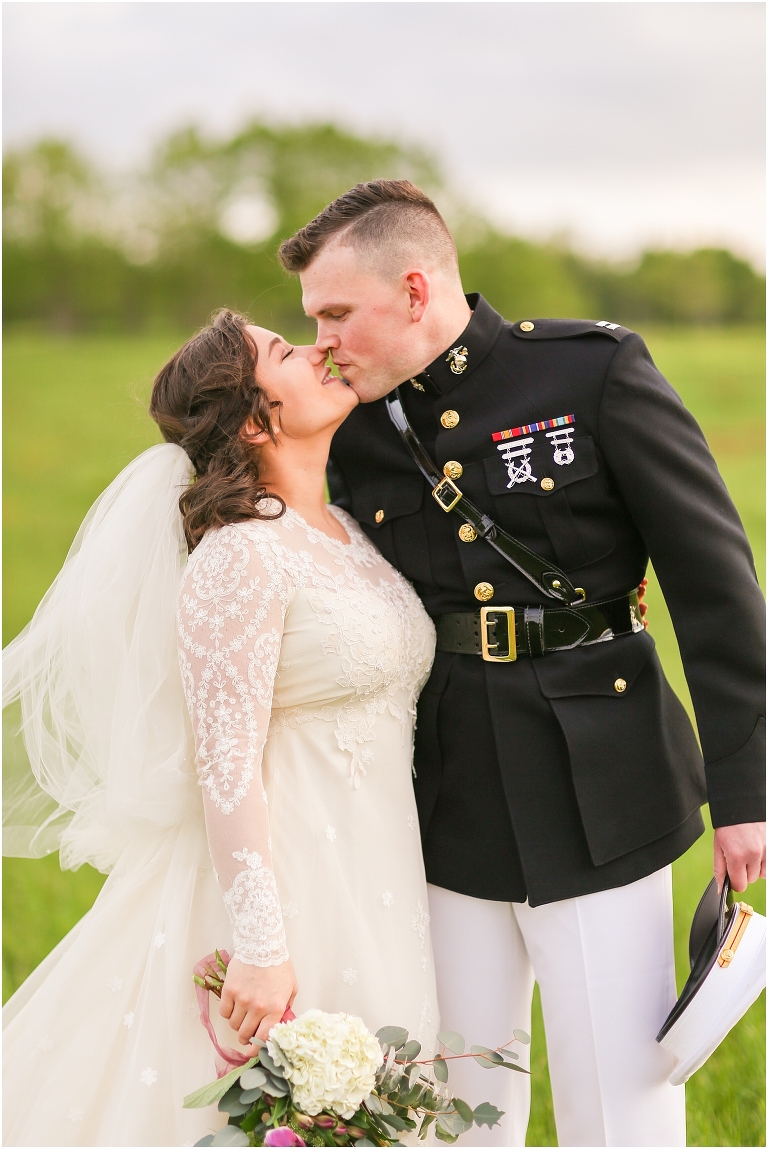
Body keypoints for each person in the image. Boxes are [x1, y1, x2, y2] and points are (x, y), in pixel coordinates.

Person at [277, 179, 766, 1148]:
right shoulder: (356, 426)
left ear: (415, 290)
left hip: (604, 787)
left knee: (620, 1103)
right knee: (456, 1106)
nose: (322, 341)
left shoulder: (590, 372)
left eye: (336, 313)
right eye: (313, 320)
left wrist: (747, 793)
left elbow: (715, 584)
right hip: (442, 795)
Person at [2, 310, 439, 1147]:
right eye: (284, 351)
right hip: (287, 886)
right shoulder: (240, 556)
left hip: (375, 868)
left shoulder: (345, 532)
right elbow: (226, 765)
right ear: (253, 421)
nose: (317, 347)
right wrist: (261, 945)